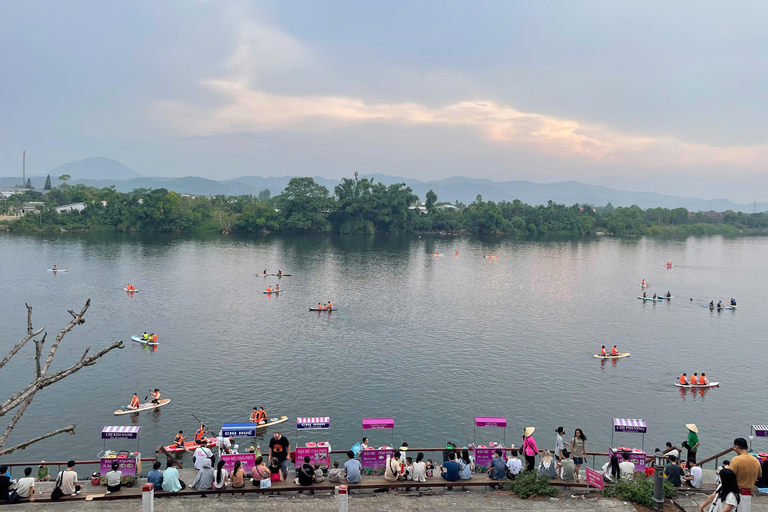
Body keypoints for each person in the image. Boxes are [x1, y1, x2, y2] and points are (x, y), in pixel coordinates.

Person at [729, 437, 762, 512]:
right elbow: (760, 475)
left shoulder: (735, 460)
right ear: (747, 447)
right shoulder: (756, 460)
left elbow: (730, 477)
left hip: (737, 492)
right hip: (749, 491)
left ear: (736, 447)